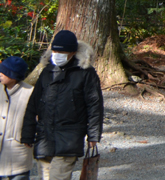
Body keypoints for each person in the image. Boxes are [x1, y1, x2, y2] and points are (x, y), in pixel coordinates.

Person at [21, 30, 103, 180]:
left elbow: (94, 105)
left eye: (61, 51)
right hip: (44, 138)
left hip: (69, 139)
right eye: (55, 50)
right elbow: (33, 104)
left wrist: (93, 134)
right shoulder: (47, 71)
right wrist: (27, 134)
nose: (57, 54)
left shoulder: (86, 73)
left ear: (72, 52)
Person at [0, 56, 32, 180]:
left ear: (14, 75)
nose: (0, 74)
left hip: (18, 150)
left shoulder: (29, 92)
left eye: (4, 72)